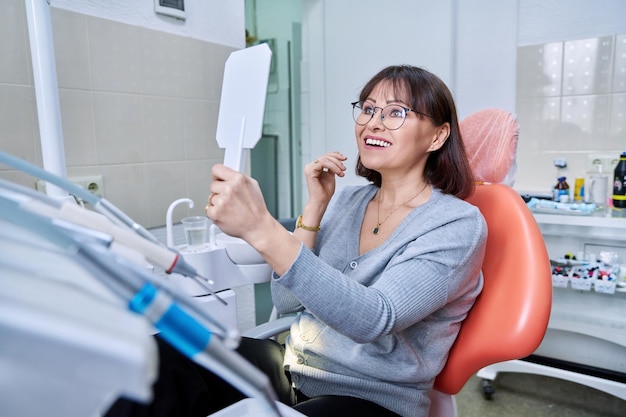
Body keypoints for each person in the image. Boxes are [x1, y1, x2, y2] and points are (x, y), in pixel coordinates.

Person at [105, 65, 487, 417]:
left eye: (395, 112)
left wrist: (261, 228)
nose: (373, 123)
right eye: (368, 109)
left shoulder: (456, 224)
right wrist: (316, 207)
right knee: (157, 357)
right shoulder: (350, 200)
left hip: (370, 398)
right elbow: (287, 300)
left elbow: (375, 318)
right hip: (294, 370)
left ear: (437, 135)